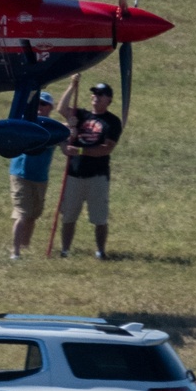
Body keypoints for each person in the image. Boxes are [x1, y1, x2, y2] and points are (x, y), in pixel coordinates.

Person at [56, 77, 122, 259]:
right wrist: (72, 86)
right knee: (68, 216)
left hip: (97, 175)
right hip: (74, 174)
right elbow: (61, 109)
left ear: (109, 100)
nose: (96, 96)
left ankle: (100, 251)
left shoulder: (112, 122)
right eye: (94, 93)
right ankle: (65, 250)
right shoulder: (81, 115)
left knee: (99, 218)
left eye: (101, 94)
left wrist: (79, 150)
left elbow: (106, 148)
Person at [9, 92, 58, 259]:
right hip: (21, 173)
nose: (40, 107)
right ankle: (15, 252)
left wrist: (71, 129)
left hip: (40, 176)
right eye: (37, 104)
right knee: (22, 213)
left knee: (33, 215)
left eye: (44, 104)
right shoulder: (26, 122)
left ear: (50, 108)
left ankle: (25, 247)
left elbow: (66, 146)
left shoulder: (54, 128)